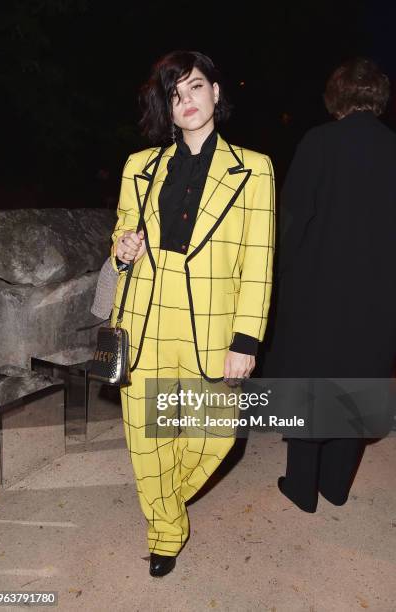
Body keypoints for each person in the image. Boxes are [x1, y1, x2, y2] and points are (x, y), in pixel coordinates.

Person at [110, 50, 275, 576]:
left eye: (196, 87)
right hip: (146, 315)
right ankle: (165, 532)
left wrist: (246, 341)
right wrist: (124, 247)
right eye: (175, 94)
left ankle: (163, 500)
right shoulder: (141, 166)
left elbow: (258, 263)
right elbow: (119, 235)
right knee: (147, 436)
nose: (186, 101)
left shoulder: (254, 170)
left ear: (216, 93)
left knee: (217, 433)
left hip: (213, 325)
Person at [262, 57, 396, 512]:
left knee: (312, 383)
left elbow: (294, 218)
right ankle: (336, 486)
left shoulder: (319, 142)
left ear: (335, 96)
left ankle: (302, 487)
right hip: (379, 294)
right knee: (359, 379)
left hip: (320, 288)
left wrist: (282, 280)